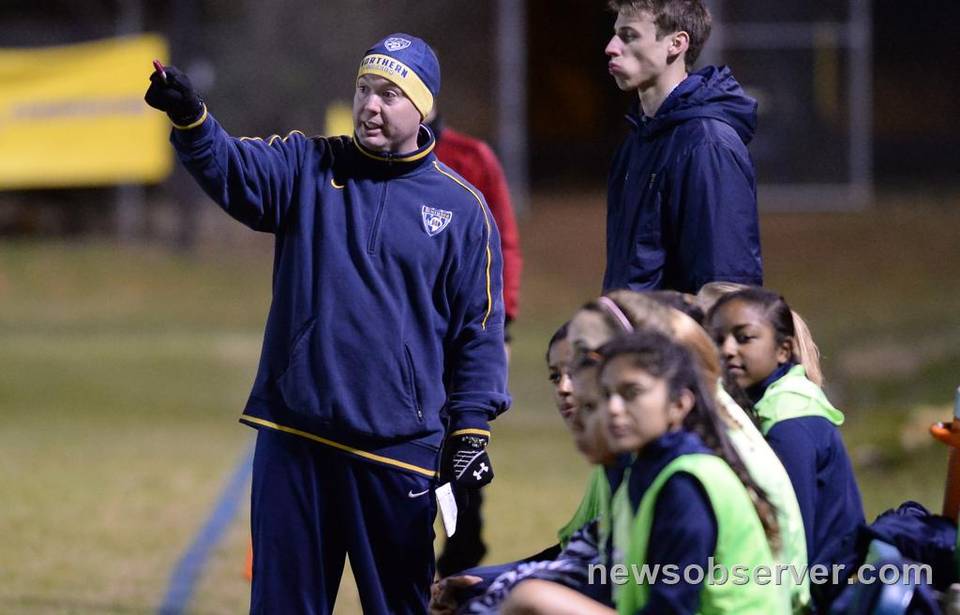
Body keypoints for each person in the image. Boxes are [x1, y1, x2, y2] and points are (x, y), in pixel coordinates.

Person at [144, 33, 510, 614]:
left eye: (390, 94)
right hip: (296, 443)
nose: (370, 104)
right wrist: (193, 121)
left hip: (398, 454)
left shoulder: (463, 209)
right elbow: (235, 170)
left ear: (424, 107)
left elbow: (479, 328)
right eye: (365, 89)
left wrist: (471, 428)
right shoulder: (308, 165)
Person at [500, 331, 790, 614]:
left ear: (679, 404)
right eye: (606, 394)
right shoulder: (641, 472)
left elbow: (672, 606)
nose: (613, 408)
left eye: (632, 393)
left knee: (533, 599)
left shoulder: (686, 483)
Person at [601, 0, 763, 294]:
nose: (611, 47)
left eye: (629, 36)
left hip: (675, 340)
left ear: (676, 44)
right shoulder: (637, 142)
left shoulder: (707, 144)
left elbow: (724, 287)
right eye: (615, 34)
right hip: (639, 339)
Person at [707, 288, 864, 576]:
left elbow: (792, 537)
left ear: (783, 350)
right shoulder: (772, 401)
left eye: (744, 338)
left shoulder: (789, 420)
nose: (727, 349)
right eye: (718, 340)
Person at [427, 107, 523, 577]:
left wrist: (500, 328)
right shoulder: (373, 157)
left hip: (461, 335)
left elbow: (503, 241)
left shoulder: (471, 157)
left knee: (459, 447)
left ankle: (462, 546)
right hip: (409, 336)